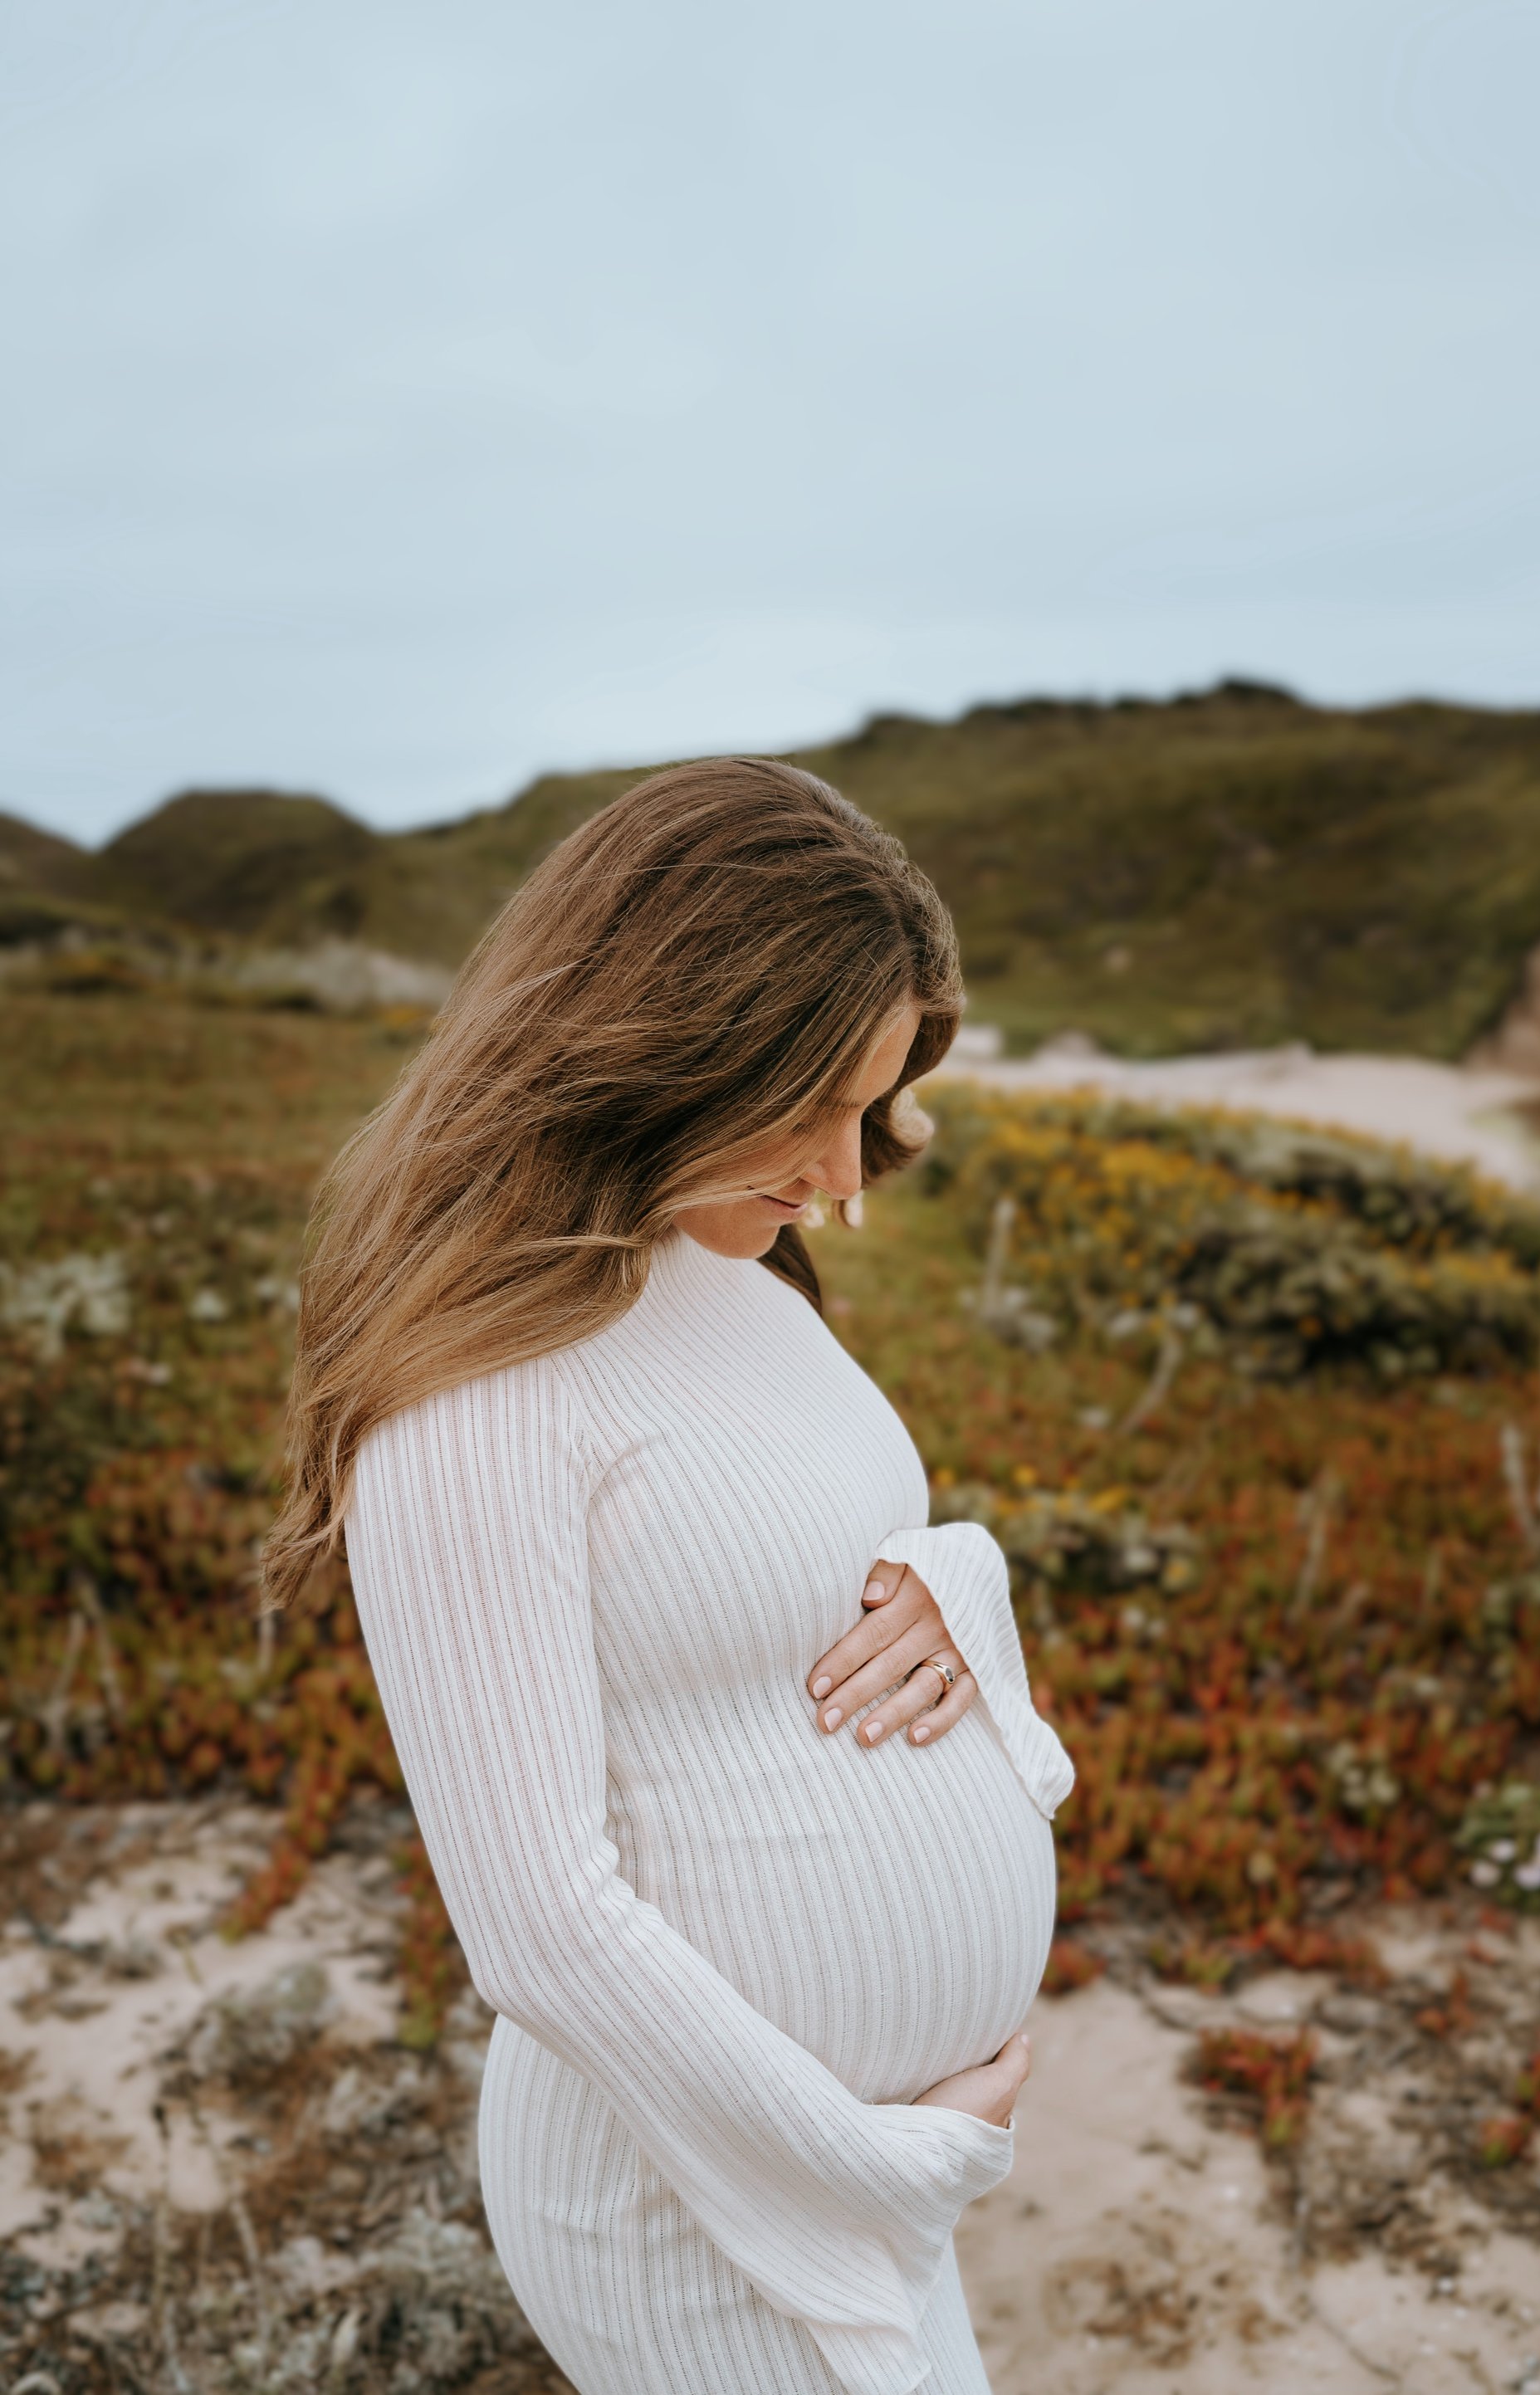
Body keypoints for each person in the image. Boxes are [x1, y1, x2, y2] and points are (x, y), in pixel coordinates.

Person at [262, 757, 1074, 2395]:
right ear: (658, 1046)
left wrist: (959, 1587)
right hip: (695, 2208)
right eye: (807, 1106)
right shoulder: (473, 1395)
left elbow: (800, 1526)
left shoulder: (721, 1258)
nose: (847, 1179)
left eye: (875, 1102)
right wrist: (869, 2168)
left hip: (855, 2169)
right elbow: (543, 1931)